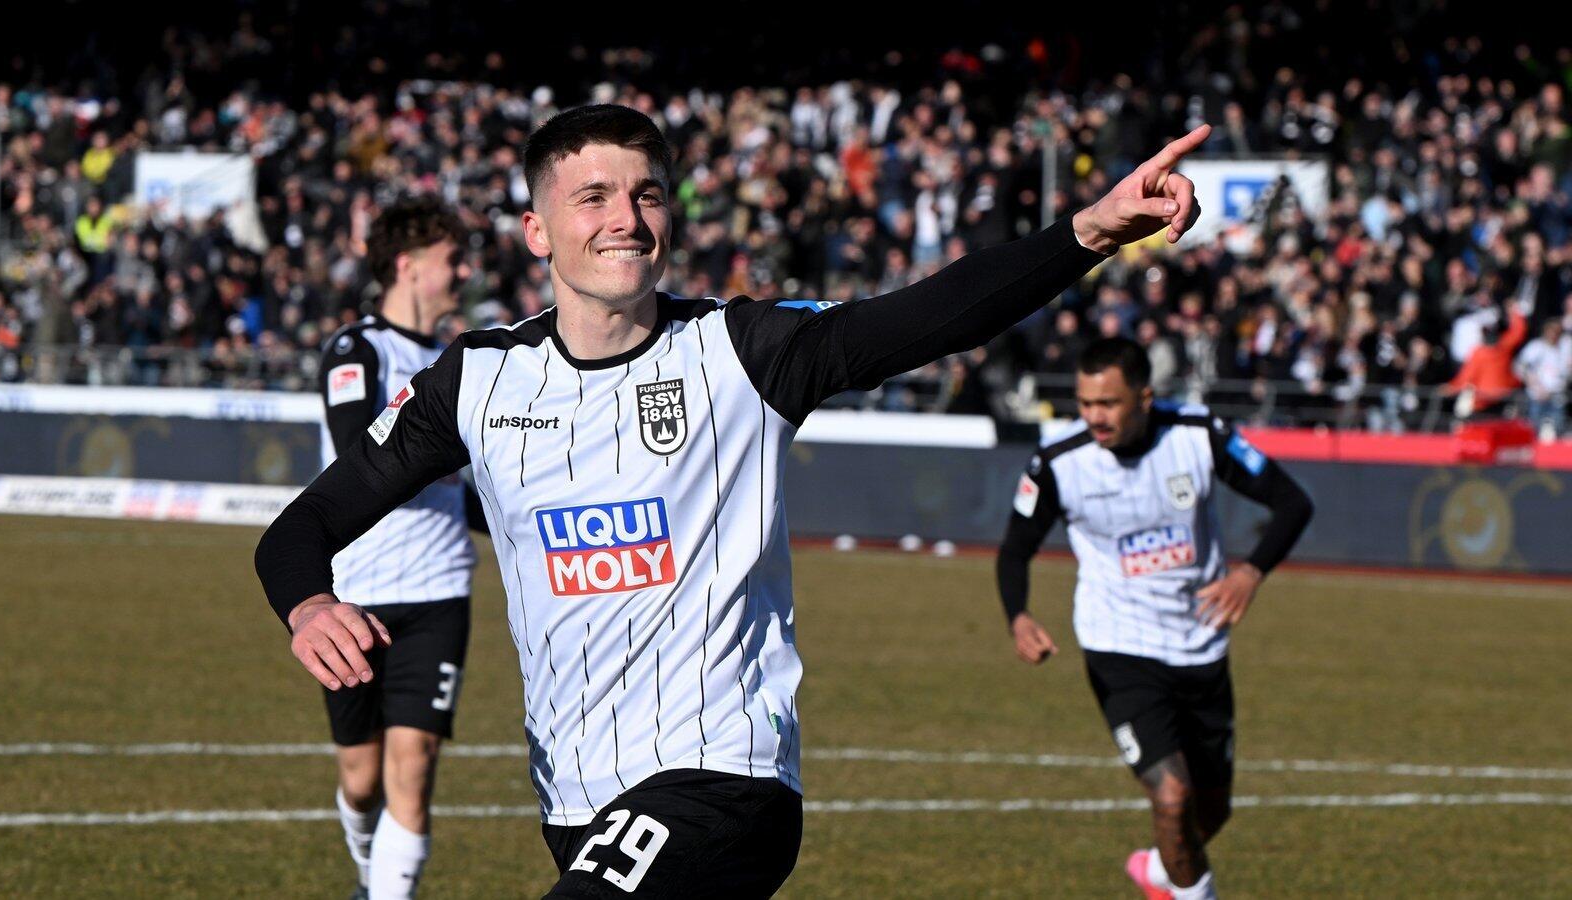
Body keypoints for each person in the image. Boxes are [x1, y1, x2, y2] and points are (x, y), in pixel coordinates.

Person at [256, 104, 1209, 898]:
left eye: (647, 194)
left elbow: (927, 317)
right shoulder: (476, 380)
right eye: (594, 197)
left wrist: (1088, 232)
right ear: (538, 231)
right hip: (575, 797)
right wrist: (309, 603)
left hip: (723, 776)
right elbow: (303, 527)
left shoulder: (743, 352)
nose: (627, 218)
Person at [994, 337, 1313, 900]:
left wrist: (1250, 572)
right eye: (1085, 403)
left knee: (1210, 812)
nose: (1095, 416)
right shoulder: (1058, 462)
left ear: (1144, 397)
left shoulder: (1199, 435)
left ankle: (1158, 872)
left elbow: (1293, 503)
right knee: (1172, 797)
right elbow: (1015, 549)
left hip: (1201, 644)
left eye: (1109, 403)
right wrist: (1018, 616)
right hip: (1119, 646)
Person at [313, 196, 482, 899]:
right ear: (408, 266)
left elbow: (467, 487)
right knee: (361, 778)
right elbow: (360, 449)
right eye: (453, 260)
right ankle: (368, 876)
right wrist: (444, 452)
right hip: (354, 595)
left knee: (413, 767)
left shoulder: (460, 360)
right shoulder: (357, 350)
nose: (465, 273)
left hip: (439, 590)